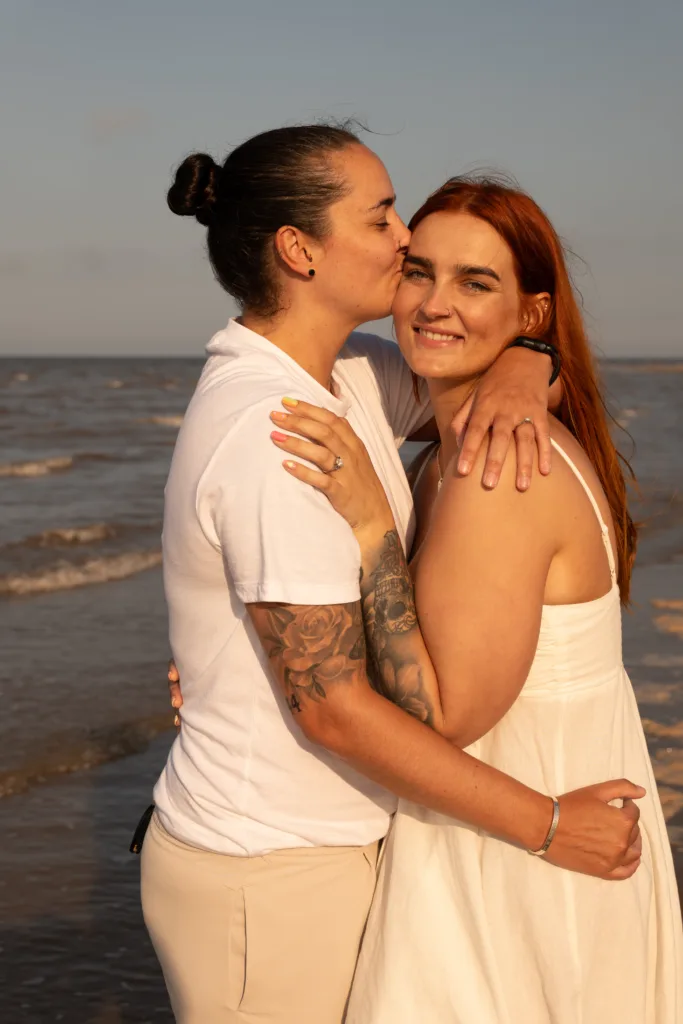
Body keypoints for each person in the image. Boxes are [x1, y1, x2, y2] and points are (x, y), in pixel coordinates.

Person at [141, 124, 643, 1024]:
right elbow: (333, 705)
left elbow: (468, 375)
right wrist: (549, 825)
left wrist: (531, 365)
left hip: (325, 848)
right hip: (274, 864)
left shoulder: (353, 381)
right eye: (381, 219)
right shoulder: (279, 435)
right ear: (299, 249)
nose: (403, 238)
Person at [272, 175, 683, 1022]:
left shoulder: (494, 469)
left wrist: (371, 527)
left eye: (475, 282)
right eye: (418, 271)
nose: (433, 303)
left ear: (531, 313)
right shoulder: (478, 428)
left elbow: (442, 714)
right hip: (532, 826)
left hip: (516, 847)